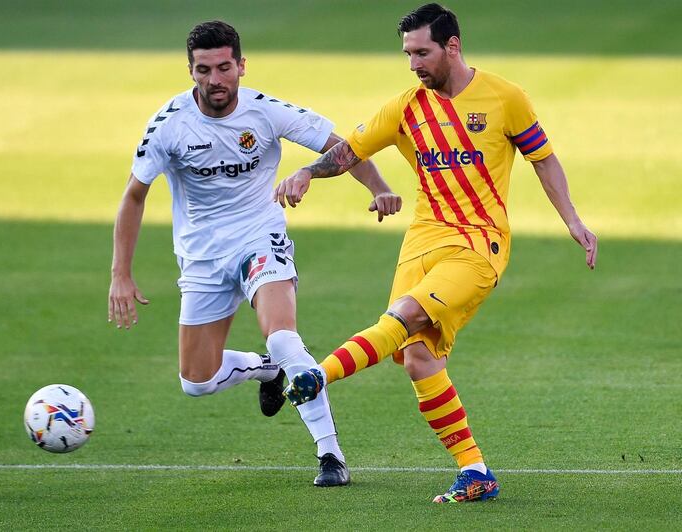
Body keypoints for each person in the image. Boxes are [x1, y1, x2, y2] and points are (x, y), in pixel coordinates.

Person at [276, 3, 598, 502]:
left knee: (403, 315)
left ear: (453, 46)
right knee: (419, 358)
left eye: (422, 52)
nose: (413, 64)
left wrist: (573, 220)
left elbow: (544, 159)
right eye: (407, 54)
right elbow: (349, 152)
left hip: (478, 244)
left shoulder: (505, 97)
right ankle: (475, 472)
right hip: (421, 243)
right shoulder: (407, 107)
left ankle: (321, 374)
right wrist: (306, 173)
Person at [107, 20, 401, 486]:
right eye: (204, 70)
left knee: (284, 338)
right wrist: (120, 273)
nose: (215, 79)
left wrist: (380, 187)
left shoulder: (265, 111)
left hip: (259, 238)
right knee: (196, 382)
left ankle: (330, 455)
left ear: (241, 66)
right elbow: (133, 196)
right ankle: (266, 371)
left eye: (224, 67)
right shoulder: (170, 124)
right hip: (202, 256)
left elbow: (342, 147)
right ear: (191, 71)